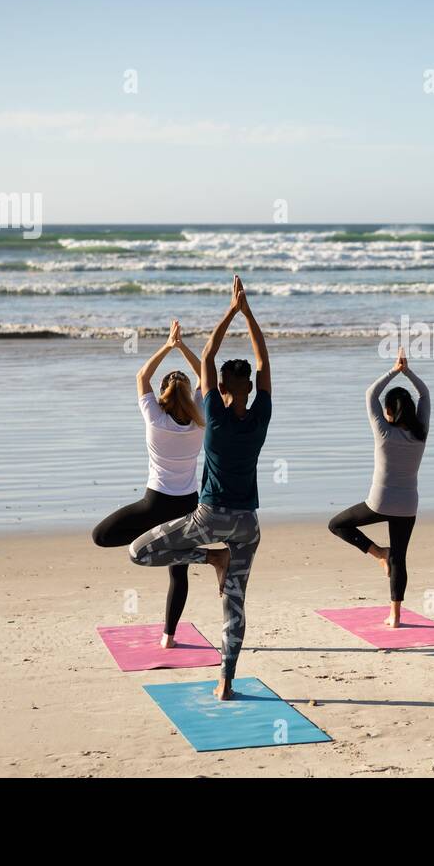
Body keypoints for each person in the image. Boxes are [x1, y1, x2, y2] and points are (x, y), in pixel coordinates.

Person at [128, 276, 272, 700]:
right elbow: (262, 362)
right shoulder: (261, 413)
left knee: (139, 552)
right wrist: (249, 314)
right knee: (235, 604)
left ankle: (212, 558)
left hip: (209, 517)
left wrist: (231, 310)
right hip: (248, 523)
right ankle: (226, 678)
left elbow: (208, 355)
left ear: (221, 389)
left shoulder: (213, 413)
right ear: (249, 388)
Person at [90, 320, 204, 649]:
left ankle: (155, 546)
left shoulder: (155, 419)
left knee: (101, 536)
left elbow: (142, 376)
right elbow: (205, 378)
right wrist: (184, 348)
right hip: (188, 505)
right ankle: (169, 637)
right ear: (188, 394)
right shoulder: (201, 419)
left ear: (164, 395)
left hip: (154, 504)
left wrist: (169, 345)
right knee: (178, 572)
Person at [327, 346, 431, 627]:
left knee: (337, 524)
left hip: (379, 502)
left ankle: (378, 553)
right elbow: (425, 395)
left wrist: (394, 371)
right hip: (408, 505)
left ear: (388, 411)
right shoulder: (420, 432)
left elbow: (370, 394)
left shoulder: (383, 431)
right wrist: (408, 372)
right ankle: (395, 616)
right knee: (401, 557)